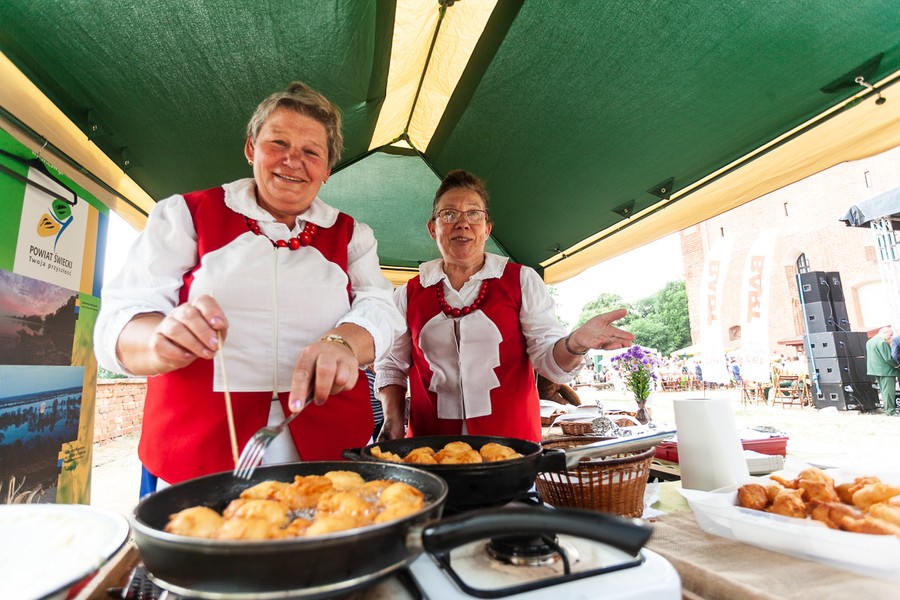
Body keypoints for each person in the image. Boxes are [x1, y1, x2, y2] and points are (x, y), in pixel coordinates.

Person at [94, 82, 405, 491]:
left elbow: (380, 308)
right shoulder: (185, 215)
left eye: (312, 152)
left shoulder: (351, 235)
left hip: (328, 448)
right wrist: (158, 341)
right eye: (278, 143)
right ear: (251, 149)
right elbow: (121, 315)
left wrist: (343, 342)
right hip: (202, 447)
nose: (293, 160)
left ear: (327, 170)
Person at [374, 170, 634, 442]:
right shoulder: (407, 294)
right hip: (430, 449)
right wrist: (392, 420)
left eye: (474, 214)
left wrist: (575, 343)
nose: (462, 224)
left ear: (487, 228)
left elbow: (550, 364)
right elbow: (391, 365)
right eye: (449, 214)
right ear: (432, 228)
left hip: (511, 448)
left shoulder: (522, 281)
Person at [865, 327, 900, 416]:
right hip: (886, 371)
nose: (891, 337)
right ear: (884, 333)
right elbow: (888, 358)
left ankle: (888, 409)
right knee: (889, 391)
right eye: (890, 335)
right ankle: (891, 411)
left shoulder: (870, 342)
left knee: (883, 391)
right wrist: (898, 365)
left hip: (876, 370)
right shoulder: (882, 342)